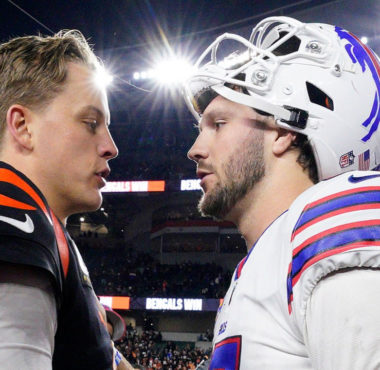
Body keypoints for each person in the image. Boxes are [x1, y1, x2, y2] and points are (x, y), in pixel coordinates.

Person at [183, 16, 380, 369]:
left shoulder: (332, 223)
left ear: (283, 131)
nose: (195, 149)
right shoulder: (265, 262)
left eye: (219, 124)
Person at [0, 30, 118, 369]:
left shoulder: (47, 225)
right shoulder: (16, 214)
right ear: (23, 126)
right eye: (91, 123)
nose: (111, 146)